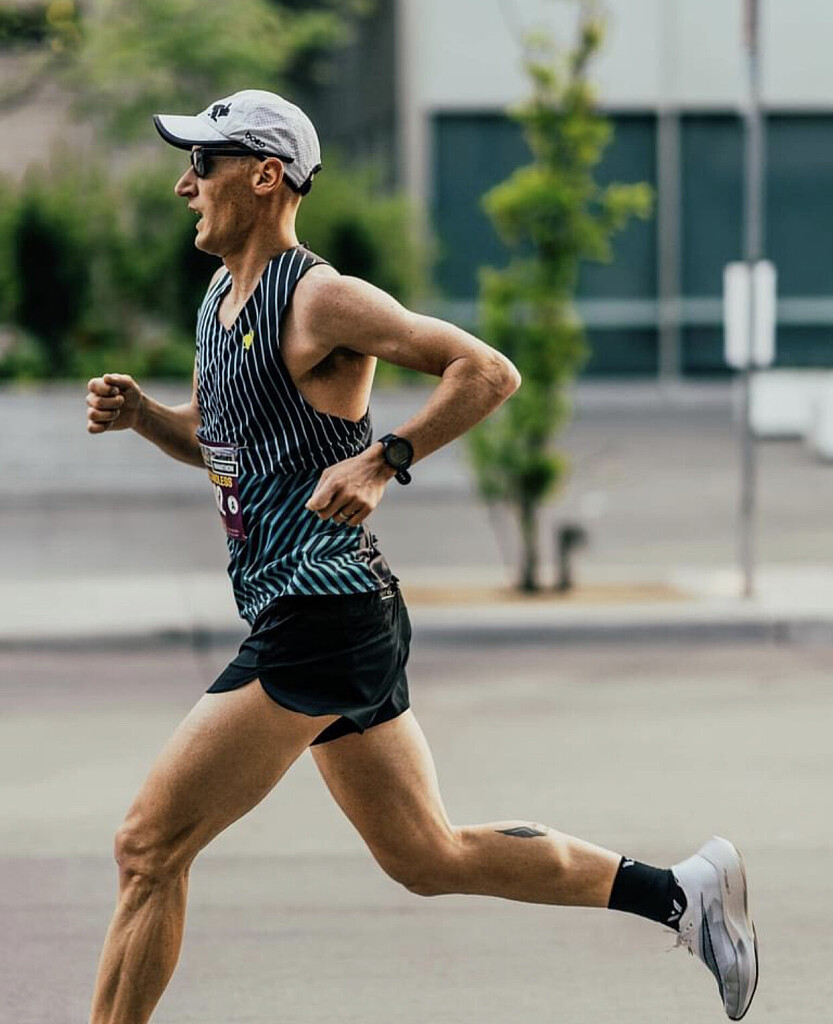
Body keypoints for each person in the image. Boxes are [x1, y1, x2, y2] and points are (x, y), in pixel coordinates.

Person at [85, 90, 758, 1023]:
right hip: (335, 615)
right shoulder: (218, 303)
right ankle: (682, 892)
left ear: (265, 175)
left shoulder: (320, 297)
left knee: (148, 847)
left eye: (202, 163)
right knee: (425, 855)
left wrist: (383, 459)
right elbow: (222, 442)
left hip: (319, 612)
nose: (183, 184)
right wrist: (146, 419)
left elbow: (487, 369)